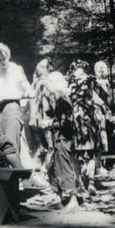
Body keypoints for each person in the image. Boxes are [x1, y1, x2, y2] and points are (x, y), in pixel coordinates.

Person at [40, 71, 80, 211]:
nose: (48, 89)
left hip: (64, 139)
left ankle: (73, 200)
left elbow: (66, 123)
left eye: (49, 85)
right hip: (59, 139)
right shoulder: (59, 99)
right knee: (56, 168)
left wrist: (50, 123)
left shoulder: (62, 100)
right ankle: (61, 199)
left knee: (66, 168)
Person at [67, 59, 105, 196]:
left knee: (91, 154)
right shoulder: (69, 86)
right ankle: (79, 183)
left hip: (89, 122)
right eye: (77, 74)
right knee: (75, 155)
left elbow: (102, 95)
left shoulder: (90, 83)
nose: (80, 77)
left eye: (82, 74)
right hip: (76, 123)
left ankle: (91, 181)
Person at [0, 42, 35, 154]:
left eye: (3, 58)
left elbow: (29, 92)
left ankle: (15, 170)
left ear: (7, 55)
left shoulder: (16, 69)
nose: (2, 62)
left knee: (11, 142)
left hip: (12, 108)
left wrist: (7, 97)